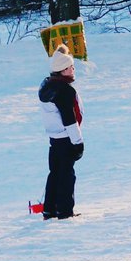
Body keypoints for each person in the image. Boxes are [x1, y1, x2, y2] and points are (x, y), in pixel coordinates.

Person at [38, 44, 84, 219]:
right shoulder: (64, 91)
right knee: (67, 175)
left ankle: (49, 209)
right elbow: (69, 120)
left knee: (55, 173)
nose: (73, 69)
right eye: (71, 66)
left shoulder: (47, 86)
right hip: (66, 139)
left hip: (54, 138)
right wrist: (78, 143)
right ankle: (64, 211)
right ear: (63, 69)